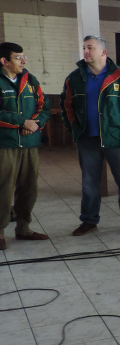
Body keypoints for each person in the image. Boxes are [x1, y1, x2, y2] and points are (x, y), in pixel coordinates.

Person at [60, 36, 120, 236]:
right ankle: (89, 221)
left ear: (103, 52)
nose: (86, 51)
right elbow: (66, 107)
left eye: (90, 47)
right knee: (89, 183)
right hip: (87, 140)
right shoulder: (74, 78)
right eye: (84, 47)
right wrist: (75, 131)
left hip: (117, 139)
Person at [0, 42, 50, 251]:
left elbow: (44, 106)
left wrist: (34, 124)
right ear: (4, 61)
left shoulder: (30, 80)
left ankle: (23, 228)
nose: (23, 61)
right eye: (18, 57)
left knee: (29, 187)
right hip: (6, 143)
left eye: (24, 56)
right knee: (3, 188)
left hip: (29, 143)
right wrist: (22, 122)